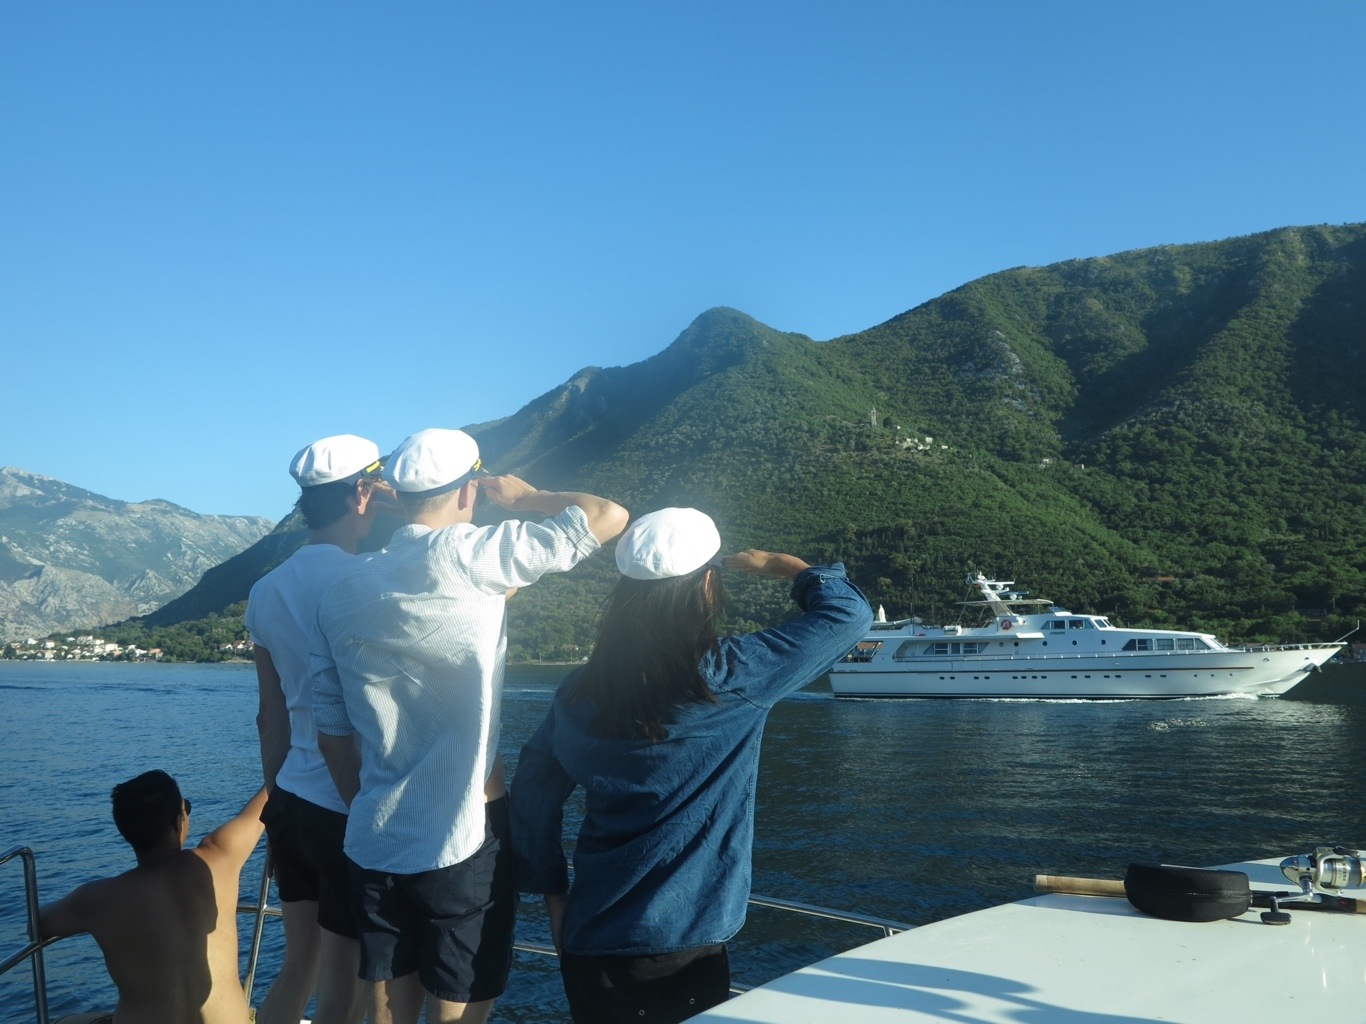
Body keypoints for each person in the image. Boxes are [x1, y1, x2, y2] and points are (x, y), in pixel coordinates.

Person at [310, 427, 629, 1024]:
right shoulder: (477, 555)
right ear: (469, 490)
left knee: (390, 1006)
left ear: (400, 496)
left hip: (376, 835)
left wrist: (370, 806)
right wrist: (528, 497)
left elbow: (332, 734)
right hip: (465, 832)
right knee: (460, 1007)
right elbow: (607, 515)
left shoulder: (341, 592)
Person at [507, 507, 874, 1024]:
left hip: (588, 938)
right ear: (706, 585)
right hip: (683, 944)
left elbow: (531, 797)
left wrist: (555, 901)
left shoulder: (577, 693)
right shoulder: (730, 677)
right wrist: (786, 566)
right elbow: (849, 615)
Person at [247, 434, 389, 1024]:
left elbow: (270, 715)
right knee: (354, 975)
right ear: (363, 492)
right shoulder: (373, 580)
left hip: (293, 798)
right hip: (348, 798)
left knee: (299, 962)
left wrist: (276, 809)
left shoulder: (266, 590)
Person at [39, 771, 268, 1024]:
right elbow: (269, 794)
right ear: (179, 822)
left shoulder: (97, 899)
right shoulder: (220, 856)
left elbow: (38, 923)